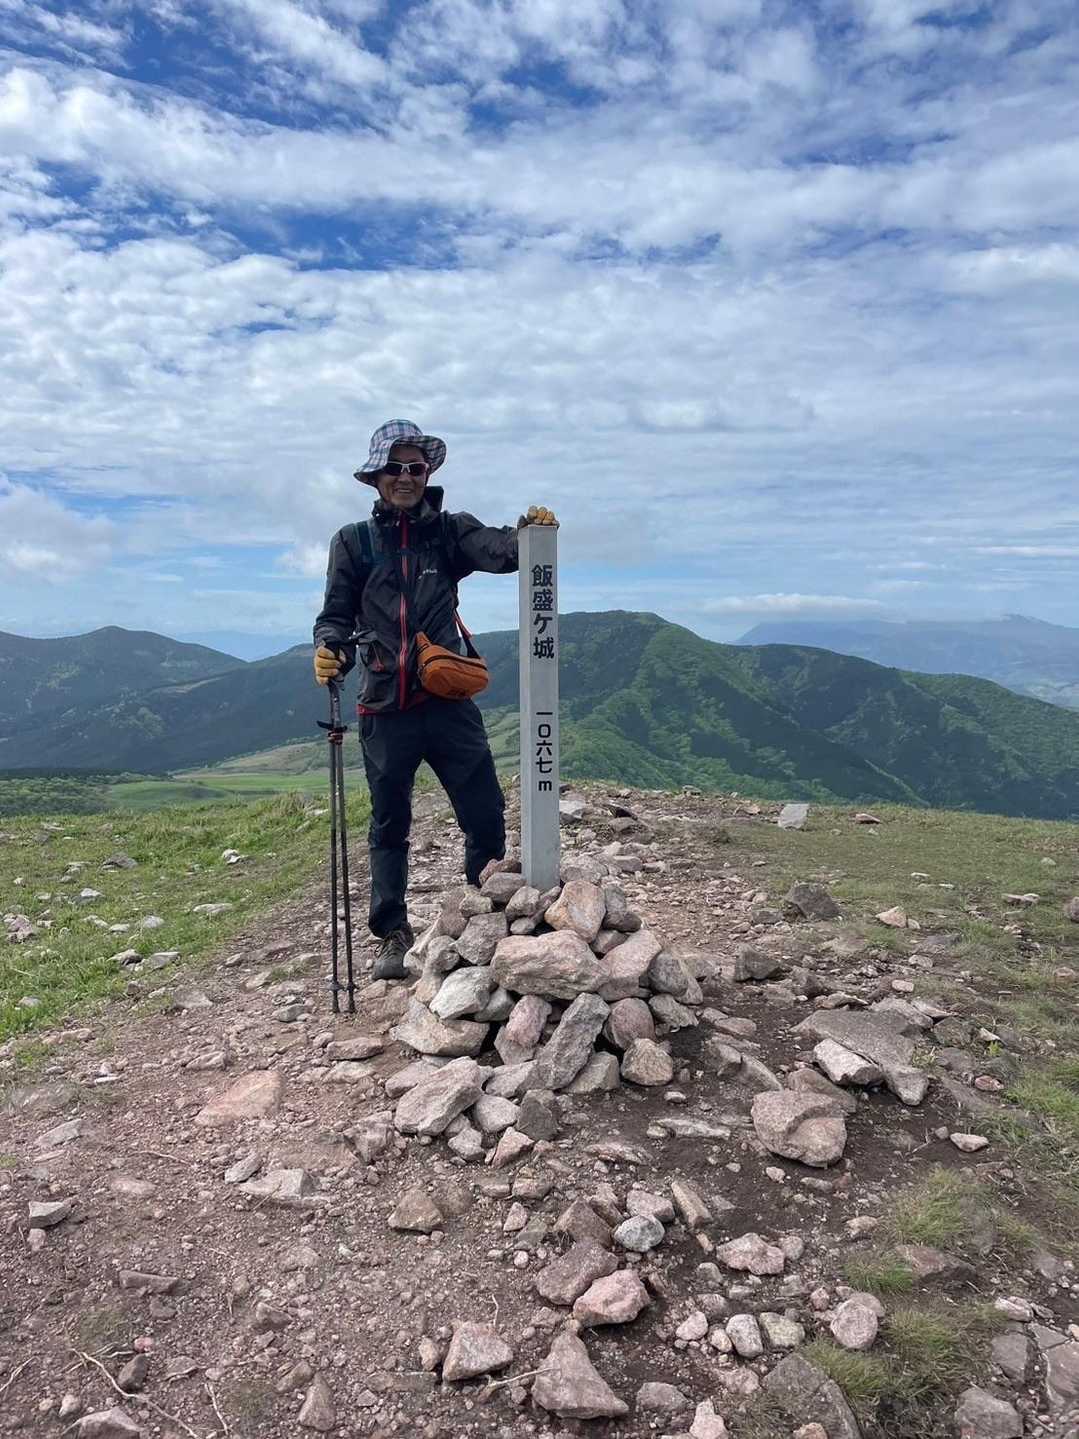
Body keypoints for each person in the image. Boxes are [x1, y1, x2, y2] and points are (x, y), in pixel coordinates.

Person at [313, 419, 557, 979]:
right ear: (375, 476)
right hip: (383, 705)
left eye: (415, 468)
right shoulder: (353, 542)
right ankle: (391, 933)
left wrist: (528, 536)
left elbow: (499, 551)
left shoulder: (448, 532)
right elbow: (336, 616)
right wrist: (329, 650)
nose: (405, 477)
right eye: (394, 468)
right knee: (389, 824)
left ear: (427, 474)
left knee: (484, 812)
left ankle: (485, 913)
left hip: (447, 701)